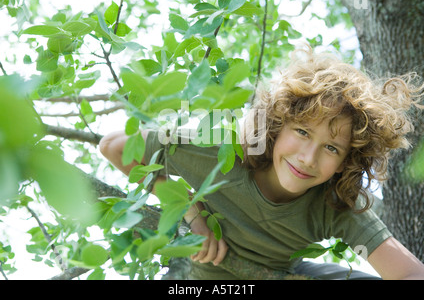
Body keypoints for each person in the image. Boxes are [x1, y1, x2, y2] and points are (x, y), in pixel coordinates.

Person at [99, 45, 424, 280]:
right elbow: (114, 146)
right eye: (302, 131)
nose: (307, 158)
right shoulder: (223, 153)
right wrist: (189, 211)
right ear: (277, 125)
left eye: (331, 148)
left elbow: (411, 273)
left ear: (343, 163)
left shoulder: (332, 204)